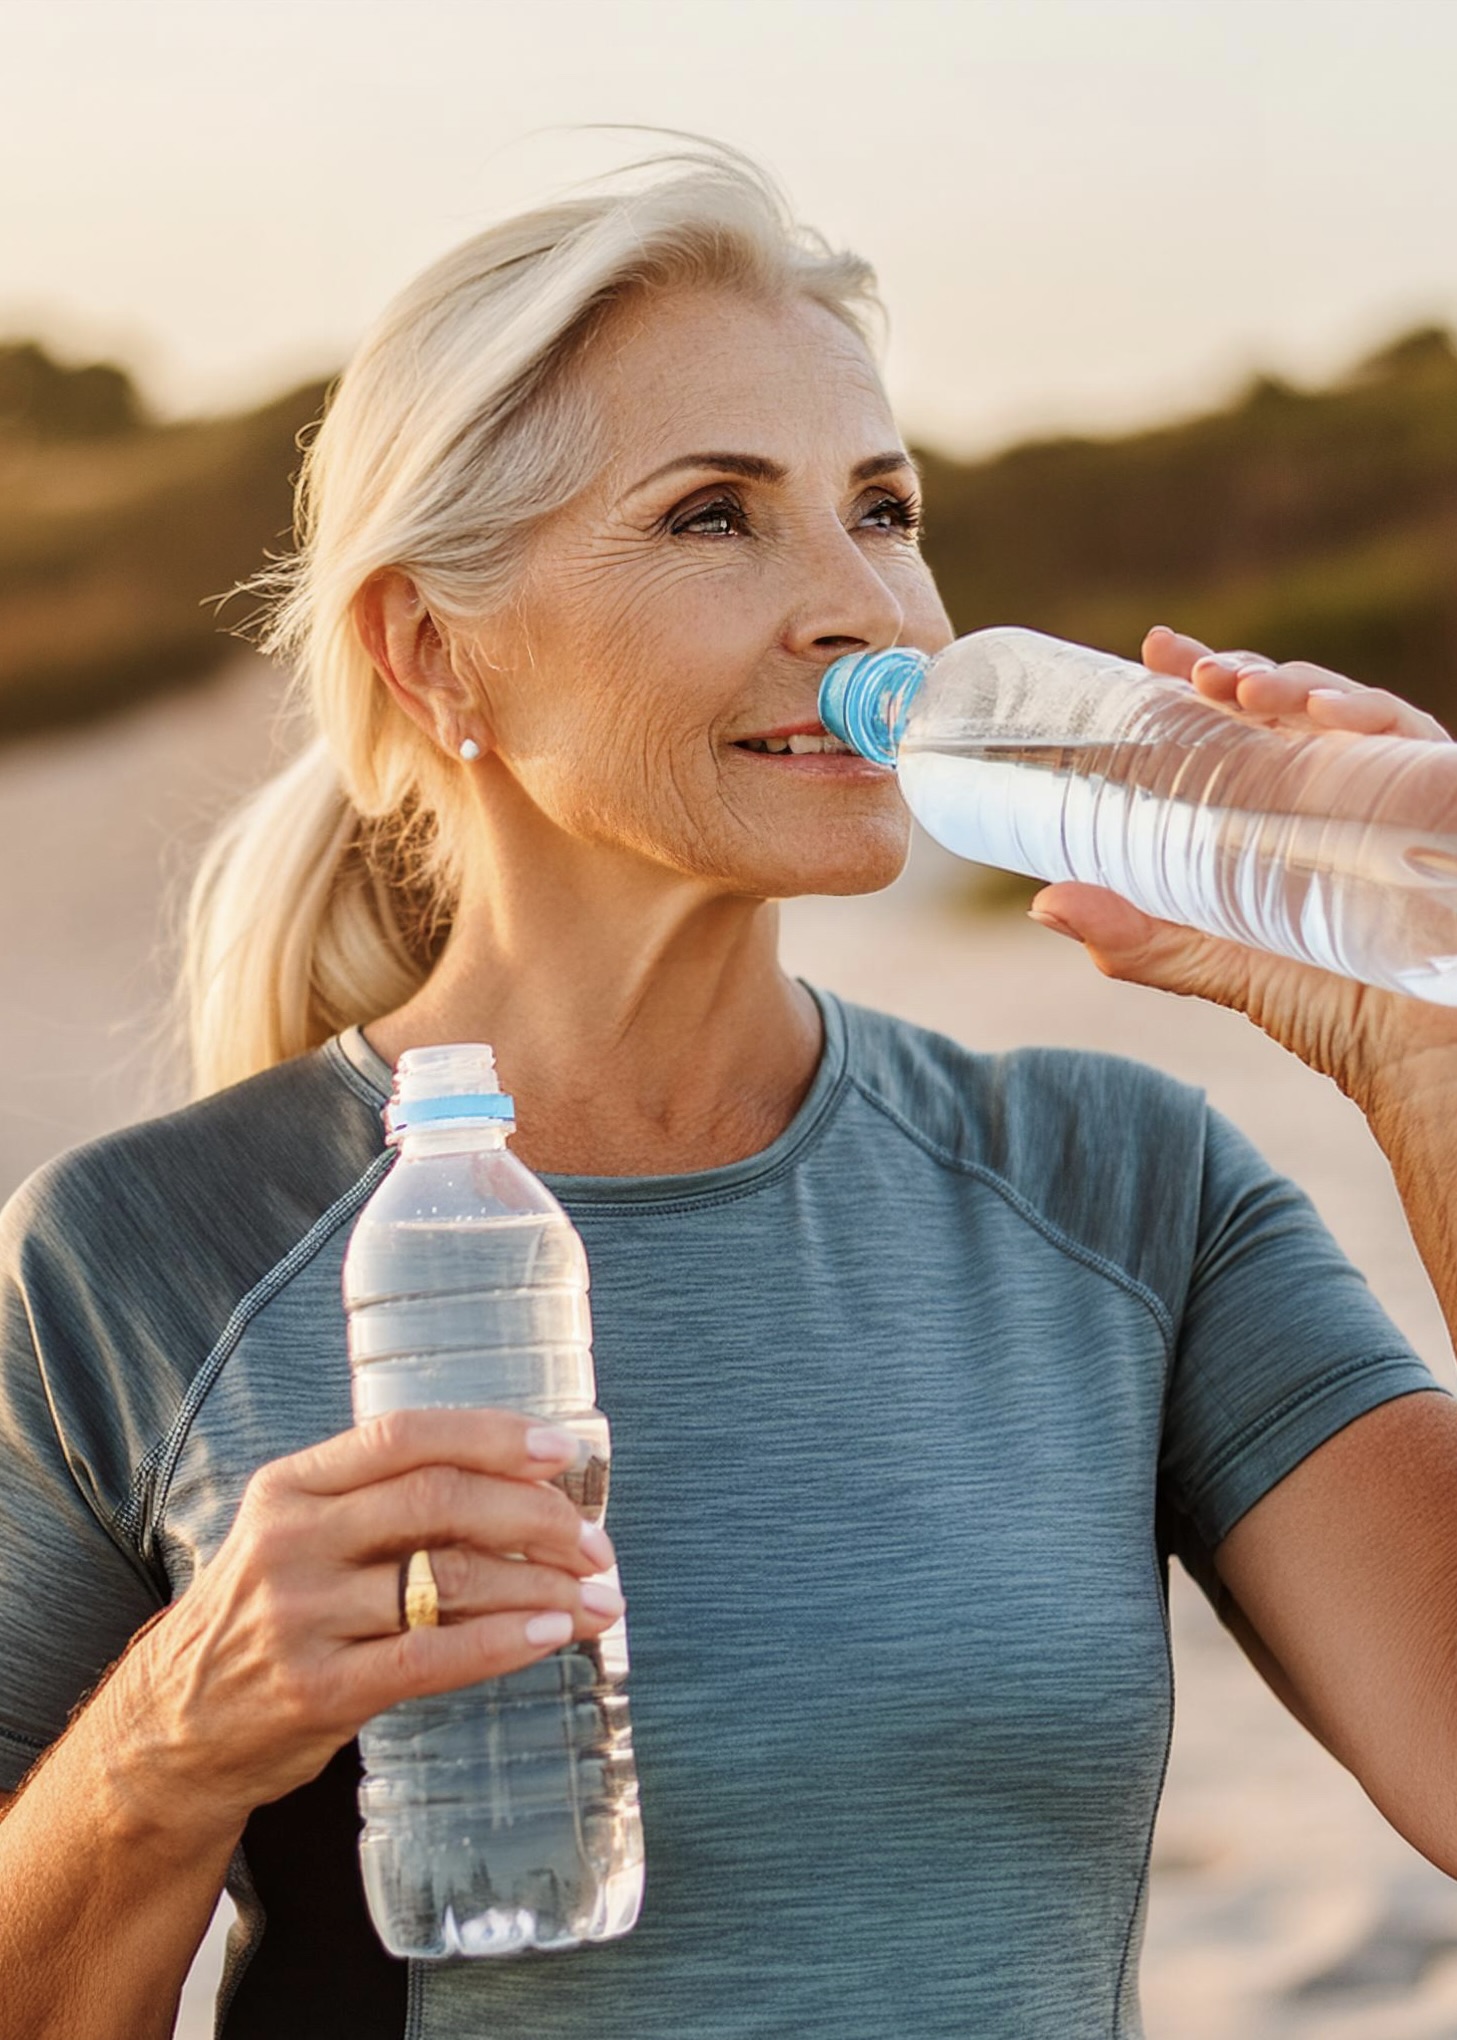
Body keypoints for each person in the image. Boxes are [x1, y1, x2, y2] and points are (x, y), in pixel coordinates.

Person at [2, 146, 1456, 2040]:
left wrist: (1427, 1074)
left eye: (884, 509)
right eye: (713, 518)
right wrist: (171, 1739)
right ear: (431, 650)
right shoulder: (154, 1251)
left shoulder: (1120, 1191)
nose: (862, 608)